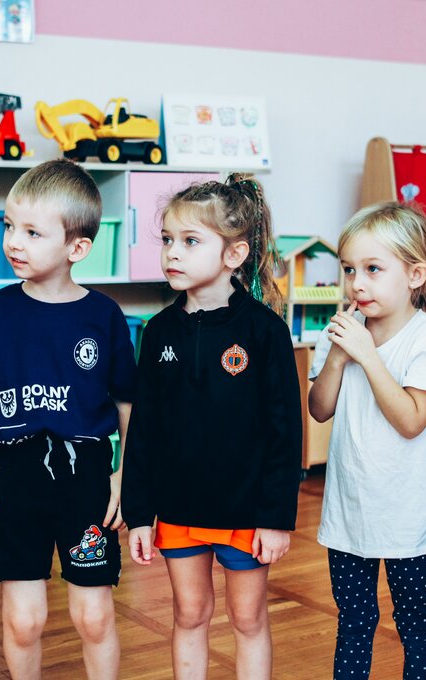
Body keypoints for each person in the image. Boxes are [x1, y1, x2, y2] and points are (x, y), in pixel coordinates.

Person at [122, 174, 302, 679]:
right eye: (168, 240)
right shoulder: (158, 332)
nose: (172, 253)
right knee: (189, 614)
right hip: (178, 510)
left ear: (234, 254)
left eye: (190, 241)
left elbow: (285, 433)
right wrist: (139, 514)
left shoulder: (265, 331)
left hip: (247, 513)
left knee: (248, 618)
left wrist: (276, 517)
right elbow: (144, 430)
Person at [0, 159, 136, 679]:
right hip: (15, 480)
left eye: (32, 232)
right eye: (9, 226)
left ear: (76, 248)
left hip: (86, 478)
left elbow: (127, 404)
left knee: (94, 617)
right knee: (23, 621)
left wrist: (124, 476)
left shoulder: (104, 316)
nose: (13, 242)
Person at [308, 203, 426, 679]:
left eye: (373, 269)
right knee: (353, 621)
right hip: (347, 514)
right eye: (350, 269)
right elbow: (319, 409)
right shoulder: (343, 333)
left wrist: (367, 356)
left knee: (414, 622)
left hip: (405, 519)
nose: (358, 283)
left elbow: (412, 421)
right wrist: (338, 357)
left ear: (415, 274)